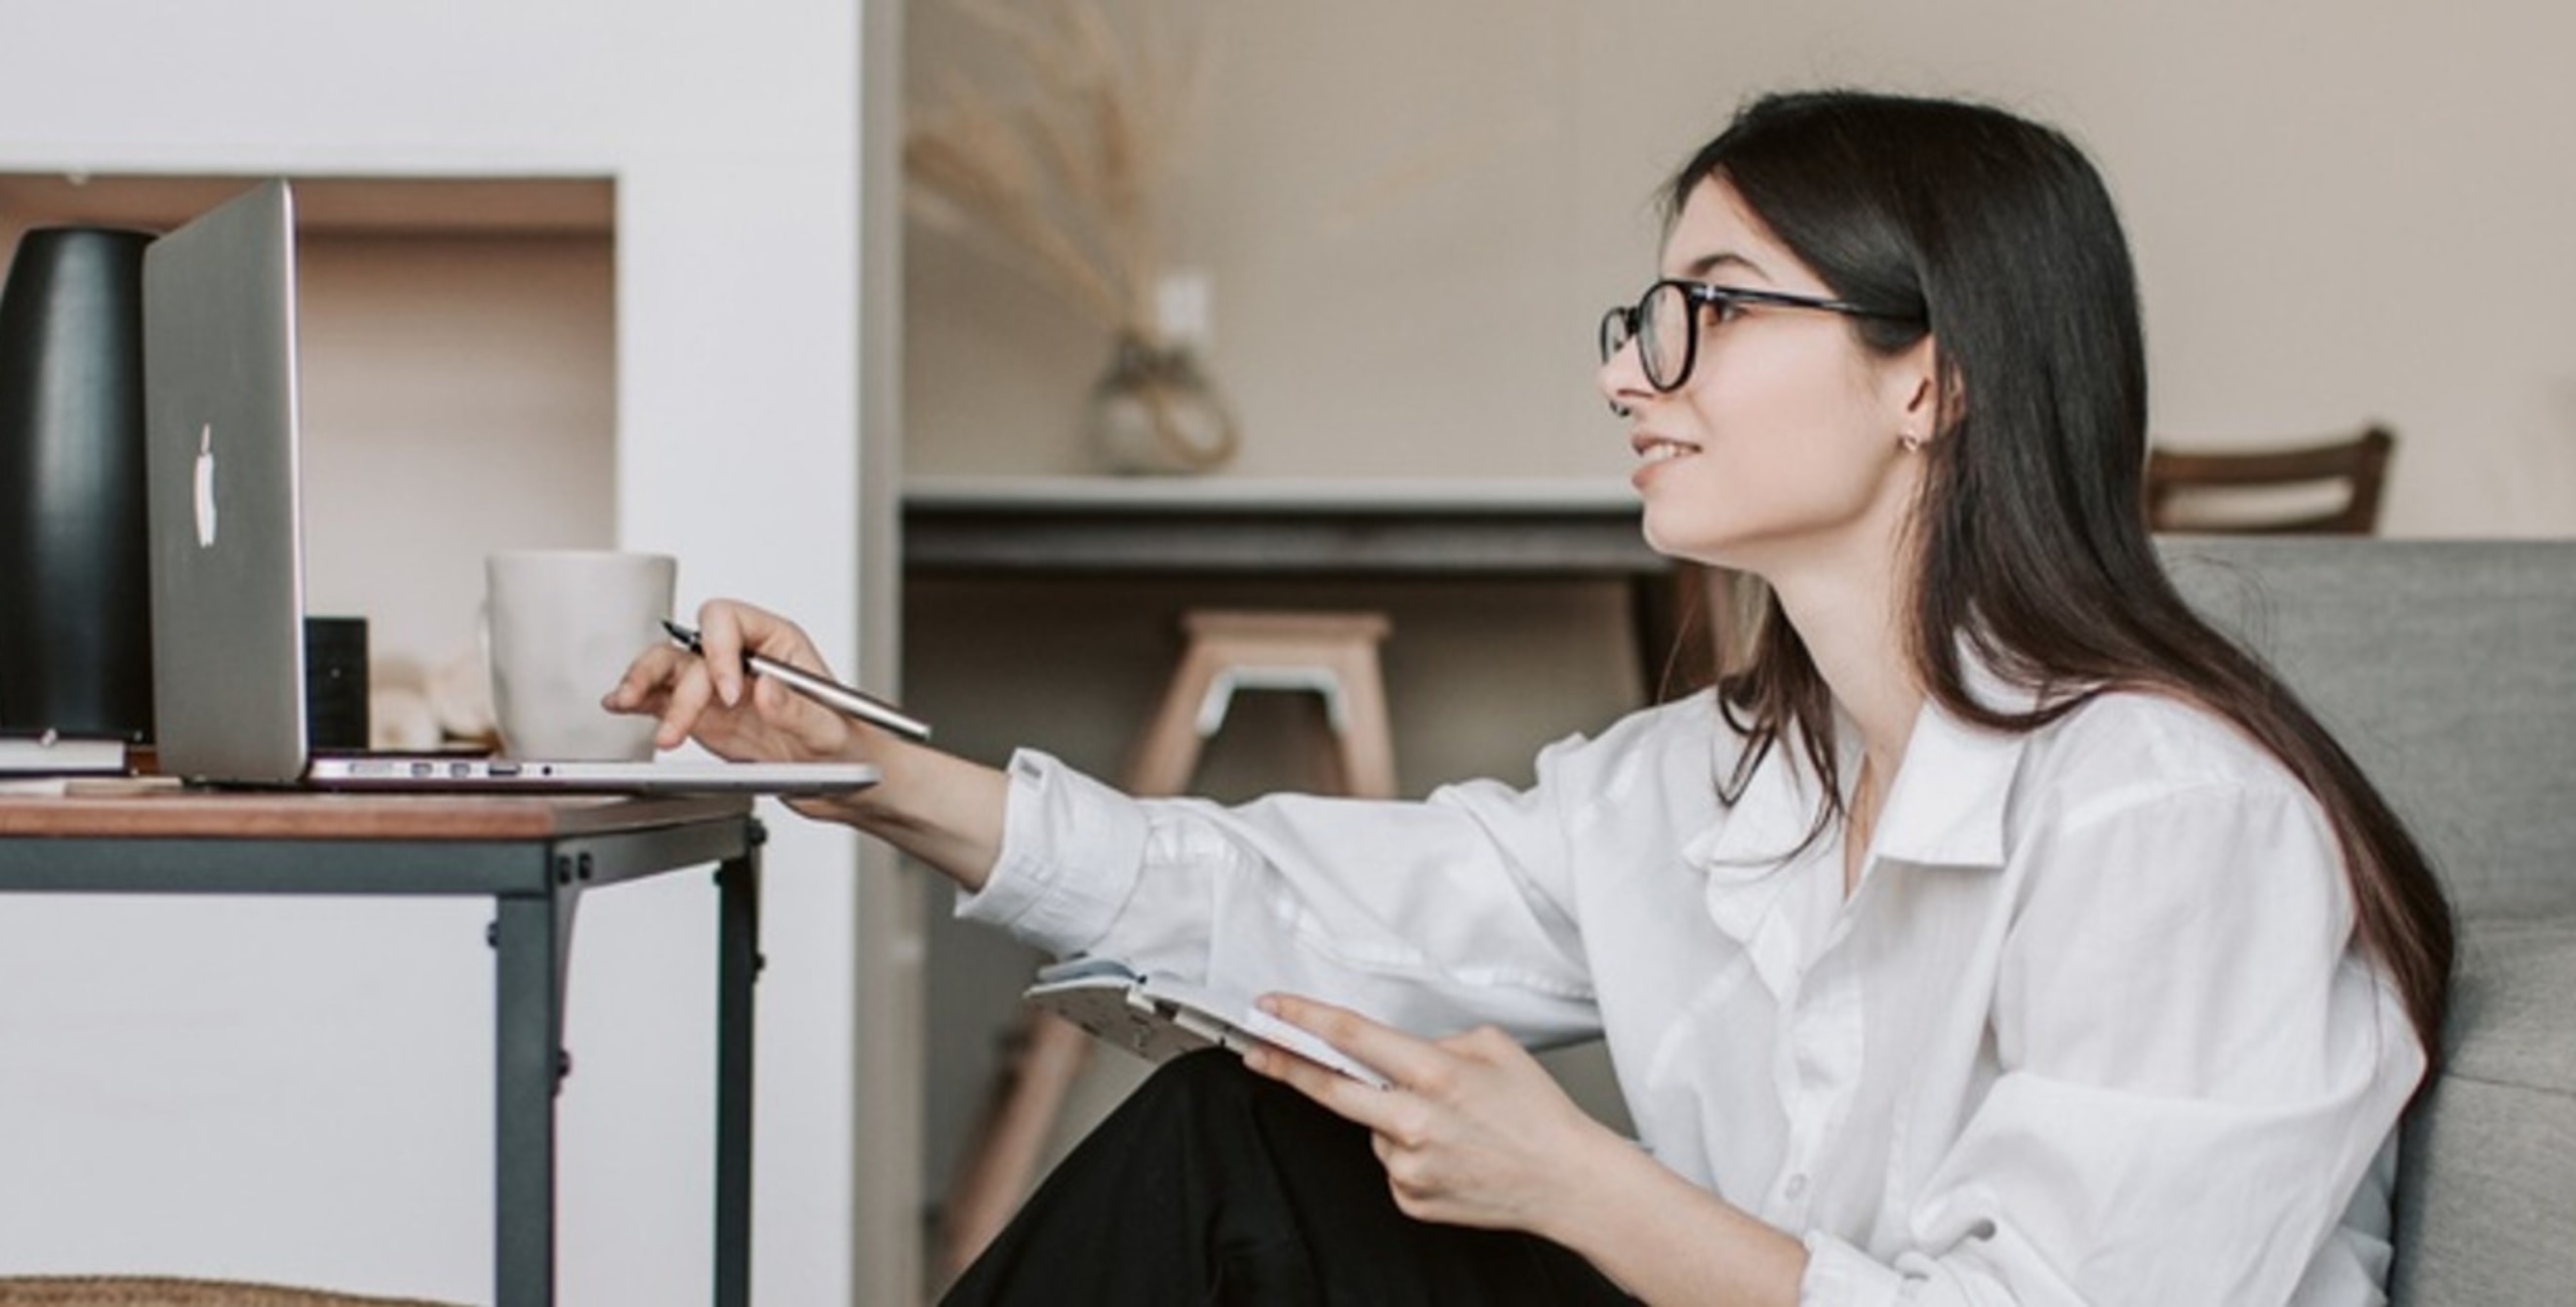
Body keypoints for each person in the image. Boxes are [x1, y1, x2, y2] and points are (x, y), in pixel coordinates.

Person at [609, 89, 2453, 1305]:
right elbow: (1283, 903)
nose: (1633, 377)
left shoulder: (2168, 814)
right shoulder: (1716, 784)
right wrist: (858, 767)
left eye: (1712, 310)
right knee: (1235, 1142)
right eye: (1639, 317)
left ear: (1931, 382)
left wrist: (1577, 1185)